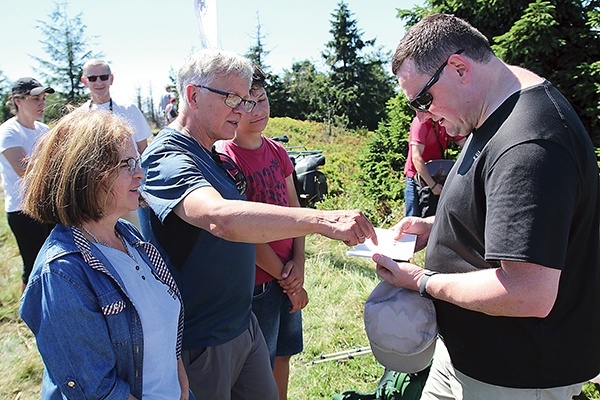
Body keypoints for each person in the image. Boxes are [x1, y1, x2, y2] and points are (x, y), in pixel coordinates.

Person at [374, 13, 599, 399]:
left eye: (423, 100)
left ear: (459, 67)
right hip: (471, 356)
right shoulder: (495, 109)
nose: (423, 116)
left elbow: (528, 291)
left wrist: (421, 281)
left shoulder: (528, 145)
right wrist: (435, 227)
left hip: (515, 375)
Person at [139, 48, 376, 400]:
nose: (243, 109)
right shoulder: (167, 156)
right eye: (232, 98)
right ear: (193, 95)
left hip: (242, 322)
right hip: (203, 339)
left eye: (247, 99)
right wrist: (322, 220)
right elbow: (220, 219)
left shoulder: (211, 152)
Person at [19, 109, 189, 400]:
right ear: (87, 174)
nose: (141, 173)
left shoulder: (129, 236)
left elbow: (168, 340)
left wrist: (183, 391)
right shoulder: (62, 273)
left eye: (137, 161)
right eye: (127, 164)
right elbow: (98, 391)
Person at [217, 66, 308, 400]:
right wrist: (287, 279)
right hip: (258, 282)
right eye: (248, 103)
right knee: (260, 360)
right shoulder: (226, 157)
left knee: (284, 352)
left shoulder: (278, 151)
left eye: (262, 99)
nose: (258, 110)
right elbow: (244, 231)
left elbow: (296, 212)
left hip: (288, 273)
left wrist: (298, 264)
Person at [0, 77, 55, 291]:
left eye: (43, 98)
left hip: (47, 206)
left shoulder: (43, 130)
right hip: (23, 209)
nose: (42, 104)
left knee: (52, 260)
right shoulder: (9, 132)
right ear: (18, 101)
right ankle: (28, 314)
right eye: (35, 99)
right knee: (32, 266)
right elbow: (24, 170)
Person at [80, 59, 153, 154]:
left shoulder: (129, 109)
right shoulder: (80, 115)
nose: (99, 82)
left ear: (111, 79)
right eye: (92, 78)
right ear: (84, 81)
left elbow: (144, 149)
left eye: (104, 77)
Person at [403, 116, 465, 217]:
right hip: (417, 179)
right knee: (413, 221)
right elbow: (416, 158)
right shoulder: (421, 123)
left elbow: (464, 144)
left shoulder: (447, 121)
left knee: (436, 220)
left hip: (437, 177)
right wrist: (433, 186)